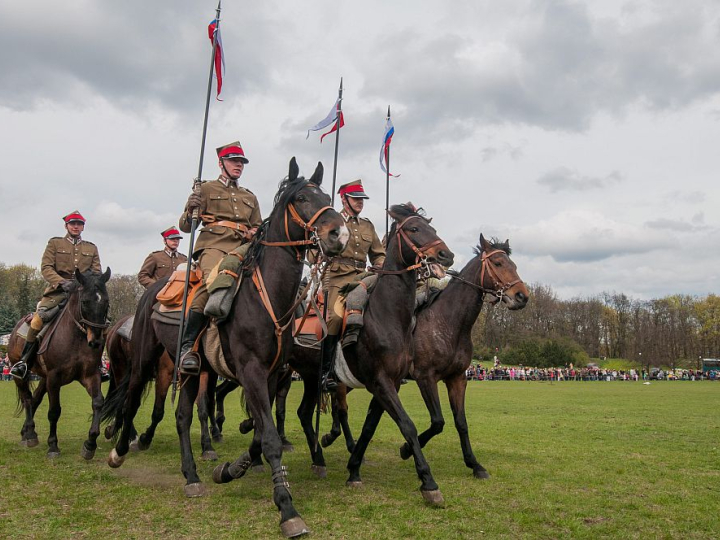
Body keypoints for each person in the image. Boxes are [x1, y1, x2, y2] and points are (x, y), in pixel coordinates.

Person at [177, 141, 262, 375]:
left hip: (243, 249)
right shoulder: (205, 189)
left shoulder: (249, 196)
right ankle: (187, 347)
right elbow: (185, 226)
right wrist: (190, 208)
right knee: (213, 283)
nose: (239, 165)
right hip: (213, 245)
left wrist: (254, 232)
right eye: (234, 161)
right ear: (221, 163)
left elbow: (257, 226)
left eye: (241, 162)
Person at [11, 211, 102, 380]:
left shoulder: (91, 247)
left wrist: (89, 286)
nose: (76, 226)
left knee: (99, 320)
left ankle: (98, 365)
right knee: (38, 319)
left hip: (82, 294)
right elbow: (46, 267)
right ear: (66, 226)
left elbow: (96, 272)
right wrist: (61, 282)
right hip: (58, 292)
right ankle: (24, 361)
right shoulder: (55, 243)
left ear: (83, 226)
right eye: (72, 223)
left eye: (79, 224)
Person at [319, 179, 385, 390]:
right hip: (338, 277)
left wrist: (380, 266)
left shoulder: (367, 225)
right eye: (356, 198)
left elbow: (378, 255)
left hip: (363, 277)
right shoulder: (331, 222)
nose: (360, 202)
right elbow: (314, 253)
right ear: (343, 199)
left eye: (361, 199)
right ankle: (326, 371)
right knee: (337, 317)